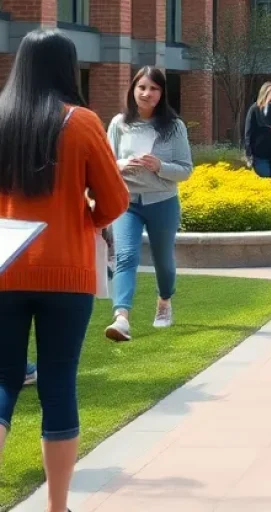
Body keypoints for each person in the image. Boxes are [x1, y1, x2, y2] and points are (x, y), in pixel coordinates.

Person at [0, 29, 129, 512]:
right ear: (66, 67)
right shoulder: (82, 121)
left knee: (4, 378)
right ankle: (57, 507)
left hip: (4, 268)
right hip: (67, 272)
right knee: (58, 381)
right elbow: (115, 199)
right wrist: (82, 222)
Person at [106, 67, 193, 342]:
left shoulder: (174, 126)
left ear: (162, 93)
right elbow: (106, 164)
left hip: (162, 202)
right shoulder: (119, 123)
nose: (147, 93)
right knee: (125, 257)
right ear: (133, 89)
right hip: (127, 202)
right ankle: (121, 318)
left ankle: (164, 300)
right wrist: (121, 165)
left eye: (153, 88)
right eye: (142, 87)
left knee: (163, 261)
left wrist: (160, 166)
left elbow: (185, 169)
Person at [244, 82, 271, 178]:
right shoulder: (255, 109)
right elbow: (248, 133)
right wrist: (248, 153)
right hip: (261, 154)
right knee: (265, 180)